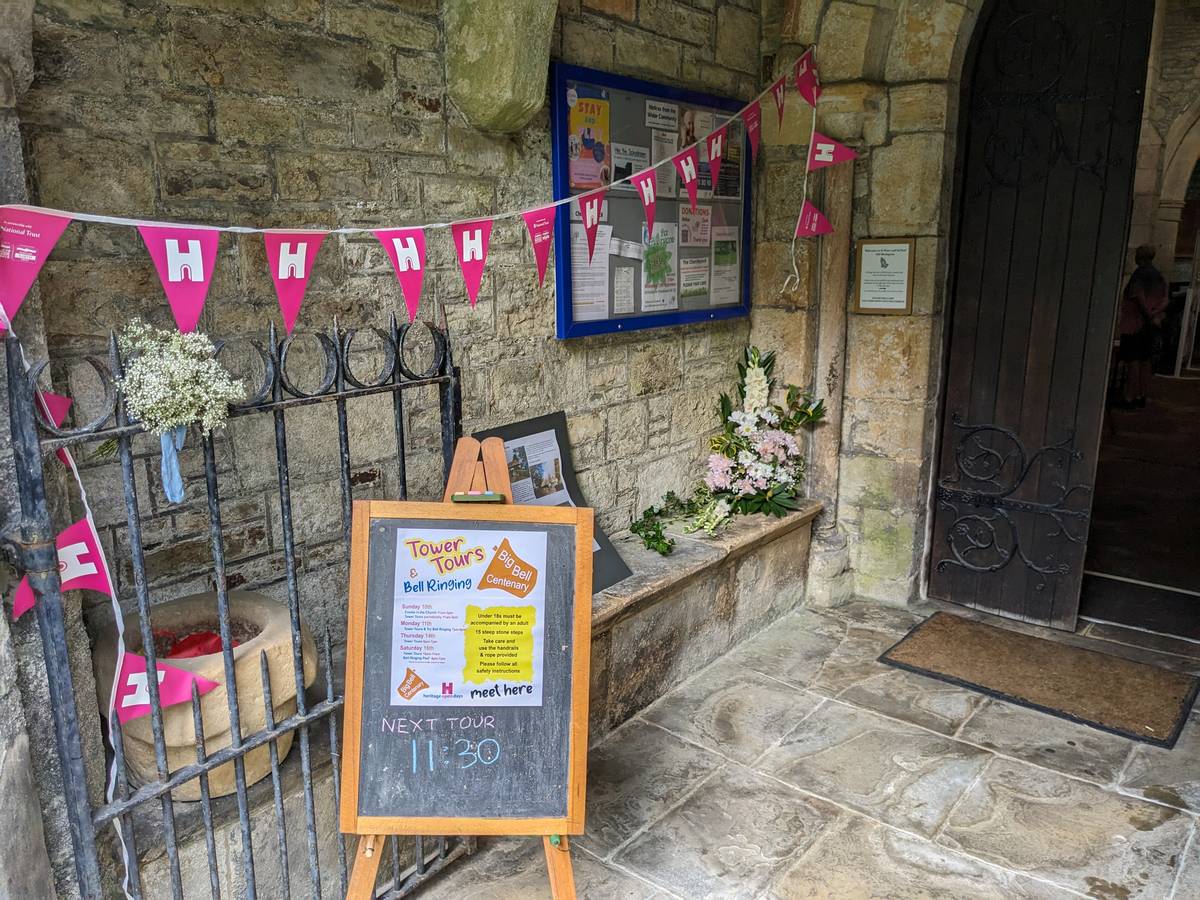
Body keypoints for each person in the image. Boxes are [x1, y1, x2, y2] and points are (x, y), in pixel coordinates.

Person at [1117, 245, 1168, 408]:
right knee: (1145, 360)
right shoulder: (1159, 276)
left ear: (1140, 256)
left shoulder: (1139, 275)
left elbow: (1138, 297)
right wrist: (1154, 314)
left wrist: (1147, 313)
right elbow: (1165, 299)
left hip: (1134, 324)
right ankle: (1141, 395)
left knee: (1133, 361)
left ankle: (1129, 397)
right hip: (1150, 325)